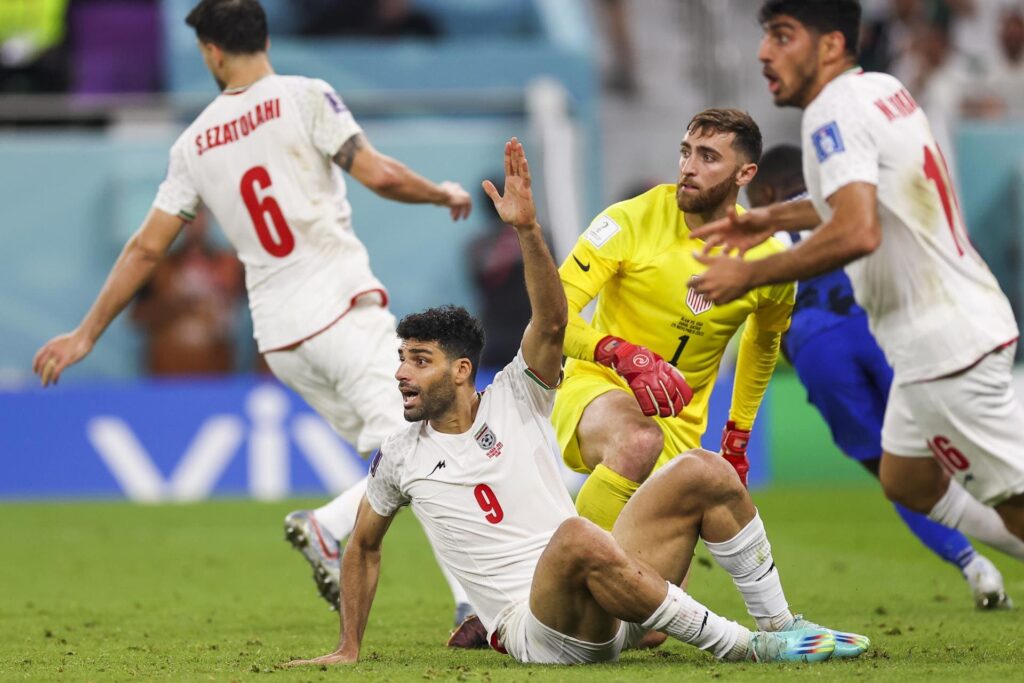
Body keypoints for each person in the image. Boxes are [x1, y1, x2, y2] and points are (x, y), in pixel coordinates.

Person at [286, 138, 868, 667]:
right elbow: (362, 547)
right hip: (534, 627)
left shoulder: (514, 397)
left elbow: (554, 319)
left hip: (594, 602)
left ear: (462, 372)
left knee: (707, 471)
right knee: (576, 536)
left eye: (419, 362)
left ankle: (782, 623)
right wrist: (347, 648)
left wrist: (528, 231)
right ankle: (749, 647)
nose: (401, 376)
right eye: (402, 360)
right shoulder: (397, 456)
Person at [31, 0, 478, 633]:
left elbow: (146, 247)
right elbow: (376, 173)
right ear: (263, 37)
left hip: (283, 343)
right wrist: (442, 191)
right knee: (432, 441)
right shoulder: (305, 96)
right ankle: (328, 529)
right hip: (342, 314)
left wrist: (85, 333)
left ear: (212, 51)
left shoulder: (192, 143)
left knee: (409, 452)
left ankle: (472, 608)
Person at [690, 0, 1024, 560]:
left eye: (782, 36)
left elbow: (857, 231)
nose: (764, 52)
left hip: (945, 344)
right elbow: (857, 197)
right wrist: (770, 218)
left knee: (1015, 501)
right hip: (947, 326)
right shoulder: (879, 91)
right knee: (907, 479)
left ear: (830, 46)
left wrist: (750, 274)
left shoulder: (832, 115)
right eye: (766, 36)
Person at [749, 143, 1010, 609]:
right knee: (962, 449)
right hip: (882, 327)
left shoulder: (765, 230)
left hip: (817, 347)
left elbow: (771, 321)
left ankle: (975, 566)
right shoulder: (843, 201)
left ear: (765, 189)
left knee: (894, 473)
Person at [553, 108, 795, 532]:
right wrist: (617, 353)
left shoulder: (768, 261)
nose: (688, 167)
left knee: (657, 589)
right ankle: (565, 570)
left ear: (745, 173)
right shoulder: (628, 220)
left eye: (707, 157)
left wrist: (737, 435)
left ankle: (771, 605)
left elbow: (763, 341)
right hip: (597, 391)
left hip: (680, 425)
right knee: (637, 440)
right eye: (685, 153)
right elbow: (553, 315)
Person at [130, 209, 245, 376]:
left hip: (216, 374)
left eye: (200, 216)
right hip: (167, 374)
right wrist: (176, 304)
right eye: (190, 217)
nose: (195, 223)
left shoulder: (228, 266)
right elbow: (136, 316)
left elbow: (258, 316)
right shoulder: (159, 267)